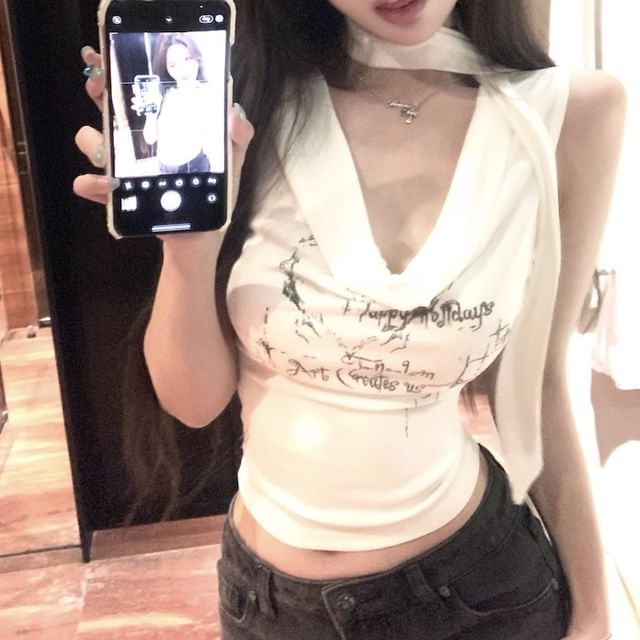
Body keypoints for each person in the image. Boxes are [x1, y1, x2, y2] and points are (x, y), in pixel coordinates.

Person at [74, 1, 626, 638]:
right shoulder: (248, 107)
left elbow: (539, 383)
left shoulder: (570, 113)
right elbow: (194, 404)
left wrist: (594, 616)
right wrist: (188, 254)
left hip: (474, 595)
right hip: (267, 607)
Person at [133, 33, 217, 173]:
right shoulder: (162, 94)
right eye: (173, 65)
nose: (182, 69)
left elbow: (211, 135)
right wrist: (150, 115)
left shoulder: (206, 93)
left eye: (187, 58)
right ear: (166, 68)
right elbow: (150, 139)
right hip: (165, 168)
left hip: (195, 165)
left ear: (196, 58)